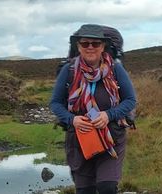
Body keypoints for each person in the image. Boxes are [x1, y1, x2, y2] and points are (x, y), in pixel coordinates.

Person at [50, 24, 136, 194]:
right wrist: (72, 119)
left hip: (111, 137)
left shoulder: (115, 69)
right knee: (84, 191)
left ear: (103, 46)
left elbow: (130, 100)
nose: (90, 47)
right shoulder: (69, 70)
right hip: (80, 140)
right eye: (85, 43)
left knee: (107, 187)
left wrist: (108, 115)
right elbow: (55, 103)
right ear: (78, 46)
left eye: (95, 44)